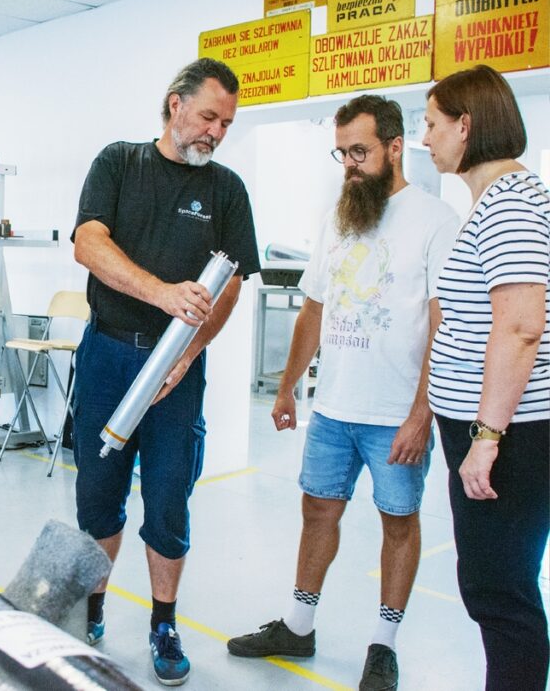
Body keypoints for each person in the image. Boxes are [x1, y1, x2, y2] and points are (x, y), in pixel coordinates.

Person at [225, 95, 459, 690]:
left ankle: (383, 645)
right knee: (317, 511)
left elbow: (442, 323)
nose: (350, 164)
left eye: (361, 152)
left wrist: (420, 413)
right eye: (342, 153)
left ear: (395, 147)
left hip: (394, 414)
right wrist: (286, 387)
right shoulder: (338, 216)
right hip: (332, 408)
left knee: (398, 523)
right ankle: (299, 626)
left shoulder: (435, 220)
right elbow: (315, 308)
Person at [72, 58, 260, 686]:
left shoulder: (227, 189)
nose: (215, 131)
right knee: (98, 496)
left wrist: (186, 352)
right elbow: (89, 245)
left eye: (226, 123)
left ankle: (163, 622)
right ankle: (92, 605)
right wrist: (162, 294)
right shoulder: (119, 163)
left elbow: (229, 286)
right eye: (208, 116)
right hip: (107, 356)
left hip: (178, 373)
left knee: (169, 500)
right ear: (175, 104)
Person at [423, 64, 549, 691]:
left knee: (500, 592)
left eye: (431, 124)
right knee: (496, 585)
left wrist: (487, 435)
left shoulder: (510, 205)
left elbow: (523, 325)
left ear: (465, 125)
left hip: (511, 434)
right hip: (499, 429)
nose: (425, 139)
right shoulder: (505, 201)